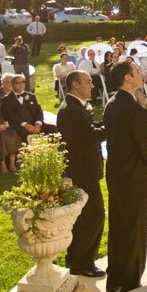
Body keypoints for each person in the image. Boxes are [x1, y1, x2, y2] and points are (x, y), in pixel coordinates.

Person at [104, 61, 147, 292]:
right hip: (135, 178)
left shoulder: (111, 104)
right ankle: (131, 282)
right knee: (135, 230)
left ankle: (115, 277)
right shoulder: (136, 111)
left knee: (118, 228)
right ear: (128, 78)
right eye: (137, 72)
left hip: (116, 176)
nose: (141, 74)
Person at [57, 71, 107, 278]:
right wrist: (111, 126)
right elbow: (87, 137)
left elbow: (88, 129)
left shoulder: (76, 106)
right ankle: (82, 263)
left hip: (84, 171)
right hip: (82, 172)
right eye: (88, 82)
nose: (92, 86)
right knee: (92, 217)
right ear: (75, 85)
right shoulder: (72, 110)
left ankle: (79, 259)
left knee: (89, 217)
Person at [1, 74, 58, 143]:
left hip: (34, 124)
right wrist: (25, 124)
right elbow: (9, 116)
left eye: (23, 82)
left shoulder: (31, 96)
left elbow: (39, 111)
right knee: (22, 132)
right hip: (19, 126)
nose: (21, 84)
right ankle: (29, 151)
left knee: (52, 128)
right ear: (12, 85)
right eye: (18, 82)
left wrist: (38, 123)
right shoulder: (6, 99)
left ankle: (53, 149)